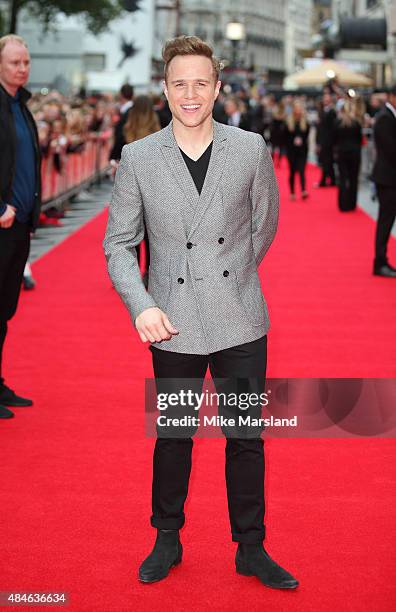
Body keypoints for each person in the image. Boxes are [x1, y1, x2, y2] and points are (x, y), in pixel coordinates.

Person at [104, 35, 298, 589]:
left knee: (245, 438)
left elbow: (264, 226)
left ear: (217, 88)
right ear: (165, 90)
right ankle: (167, 537)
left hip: (240, 317)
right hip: (173, 321)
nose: (190, 94)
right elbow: (119, 244)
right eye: (179, 84)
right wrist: (142, 303)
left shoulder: (251, 148)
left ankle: (251, 546)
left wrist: (231, 273)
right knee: (174, 435)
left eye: (200, 83)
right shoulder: (139, 158)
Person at [0, 35, 41, 419]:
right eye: (15, 63)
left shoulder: (21, 107)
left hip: (20, 223)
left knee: (5, 309)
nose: (23, 69)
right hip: (2, 221)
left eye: (26, 62)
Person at [123, 95, 161, 287]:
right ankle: (151, 272)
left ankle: (130, 272)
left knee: (128, 231)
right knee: (152, 232)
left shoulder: (126, 127)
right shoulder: (158, 127)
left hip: (128, 186)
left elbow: (114, 152)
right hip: (153, 186)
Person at [371, 84, 396, 277]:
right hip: (387, 177)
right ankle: (380, 262)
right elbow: (391, 150)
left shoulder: (387, 116)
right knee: (386, 220)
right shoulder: (385, 118)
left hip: (388, 176)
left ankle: (382, 260)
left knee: (387, 220)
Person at [333, 99, 363, 212]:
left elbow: (334, 139)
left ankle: (342, 204)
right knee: (353, 178)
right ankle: (352, 204)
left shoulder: (337, 122)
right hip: (355, 153)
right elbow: (360, 139)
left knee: (343, 178)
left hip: (342, 153)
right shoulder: (356, 123)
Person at [285, 101, 310, 200]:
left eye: (300, 108)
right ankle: (292, 192)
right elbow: (285, 136)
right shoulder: (288, 121)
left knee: (302, 170)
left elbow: (306, 135)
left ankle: (303, 190)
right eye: (297, 108)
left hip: (302, 151)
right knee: (292, 171)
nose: (298, 110)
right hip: (291, 151)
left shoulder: (305, 122)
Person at [109, 83, 134, 163]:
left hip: (124, 154)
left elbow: (121, 135)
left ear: (121, 95)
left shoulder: (128, 112)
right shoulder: (129, 110)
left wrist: (114, 155)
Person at [316, 92, 337, 187]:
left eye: (327, 99)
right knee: (326, 160)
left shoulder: (332, 112)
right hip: (323, 139)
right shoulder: (322, 111)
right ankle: (331, 180)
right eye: (325, 99)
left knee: (327, 160)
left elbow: (332, 128)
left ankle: (325, 180)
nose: (325, 101)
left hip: (329, 140)